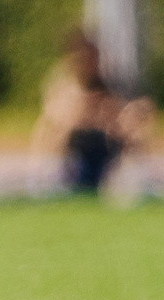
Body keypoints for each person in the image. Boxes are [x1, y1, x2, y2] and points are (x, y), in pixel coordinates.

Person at [29, 27, 153, 196]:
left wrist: (116, 116)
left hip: (106, 148)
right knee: (52, 128)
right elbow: (56, 119)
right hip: (74, 150)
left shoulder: (109, 85)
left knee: (132, 123)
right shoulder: (64, 85)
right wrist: (84, 113)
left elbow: (132, 112)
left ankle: (140, 176)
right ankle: (44, 177)